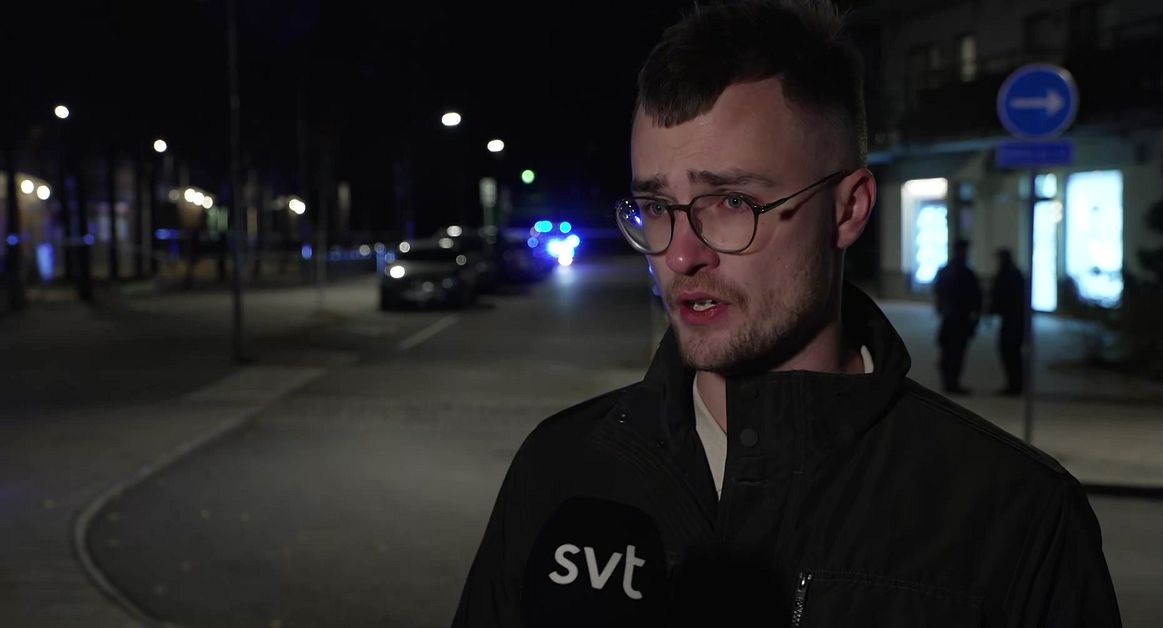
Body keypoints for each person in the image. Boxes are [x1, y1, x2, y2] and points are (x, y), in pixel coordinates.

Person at [453, 2, 1121, 626]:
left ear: (849, 209)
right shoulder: (559, 469)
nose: (680, 255)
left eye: (731, 202)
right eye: (656, 207)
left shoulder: (1015, 514)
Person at [933, 238, 982, 394]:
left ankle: (949, 382)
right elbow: (975, 297)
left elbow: (938, 292)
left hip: (951, 317)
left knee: (949, 352)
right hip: (958, 319)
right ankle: (951, 383)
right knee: (955, 352)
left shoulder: (947, 270)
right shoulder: (964, 272)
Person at [990, 247, 1026, 395]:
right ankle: (1014, 384)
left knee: (1010, 352)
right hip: (1012, 319)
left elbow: (1003, 297)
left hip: (1013, 320)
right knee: (1010, 352)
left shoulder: (1009, 274)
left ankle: (1015, 385)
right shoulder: (1012, 273)